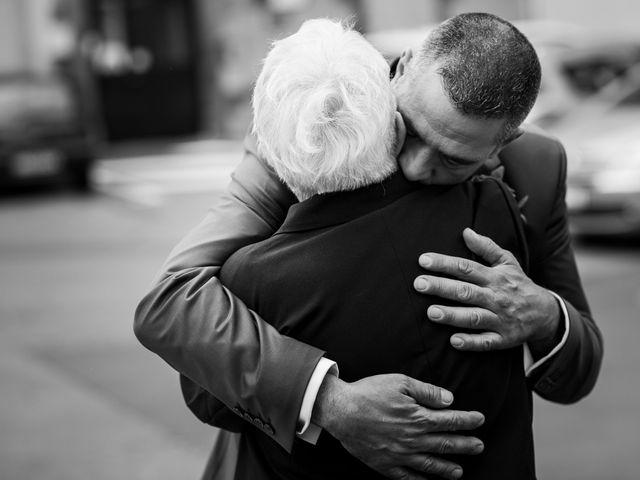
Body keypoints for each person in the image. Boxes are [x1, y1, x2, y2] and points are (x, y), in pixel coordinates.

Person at [134, 12, 603, 480]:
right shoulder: (316, 120)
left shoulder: (537, 171)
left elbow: (579, 370)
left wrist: (543, 314)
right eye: (412, 129)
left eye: (453, 159)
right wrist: (329, 400)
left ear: (505, 141)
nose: (419, 166)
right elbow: (172, 301)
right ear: (401, 69)